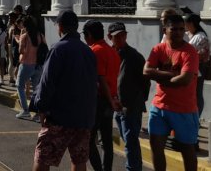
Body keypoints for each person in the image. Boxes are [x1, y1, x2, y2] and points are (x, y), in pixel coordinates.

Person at [32, 10, 97, 171]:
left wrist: (41, 107)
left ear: (60, 27)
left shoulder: (58, 49)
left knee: (43, 158)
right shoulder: (88, 51)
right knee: (79, 159)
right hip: (83, 118)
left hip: (60, 117)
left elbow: (46, 83)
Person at [144, 14, 199, 171]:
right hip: (159, 106)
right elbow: (146, 71)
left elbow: (184, 80)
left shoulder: (189, 52)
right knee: (155, 145)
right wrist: (172, 76)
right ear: (165, 30)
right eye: (173, 29)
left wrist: (159, 75)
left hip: (184, 110)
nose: (178, 32)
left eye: (182, 29)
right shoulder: (158, 49)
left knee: (187, 149)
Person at [107, 22, 149, 171]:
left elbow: (145, 81)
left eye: (122, 35)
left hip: (130, 106)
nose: (120, 38)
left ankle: (133, 168)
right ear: (109, 37)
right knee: (127, 139)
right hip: (115, 105)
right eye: (116, 36)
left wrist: (137, 101)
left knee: (130, 141)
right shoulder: (110, 54)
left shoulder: (134, 56)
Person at [82, 20, 121, 171]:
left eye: (85, 35)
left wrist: (110, 99)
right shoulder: (112, 51)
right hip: (109, 99)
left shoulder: (94, 51)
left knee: (89, 140)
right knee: (106, 139)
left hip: (99, 100)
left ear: (89, 35)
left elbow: (101, 79)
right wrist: (112, 99)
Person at [16, 16, 44, 119]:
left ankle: (25, 110)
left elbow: (21, 51)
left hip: (26, 64)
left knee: (19, 86)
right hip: (39, 65)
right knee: (36, 89)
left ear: (25, 25)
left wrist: (18, 40)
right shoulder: (40, 36)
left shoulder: (24, 36)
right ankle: (36, 113)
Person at [184, 13, 210, 118]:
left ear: (191, 24)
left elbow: (189, 51)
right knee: (193, 93)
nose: (185, 26)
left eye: (186, 24)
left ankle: (196, 117)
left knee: (197, 93)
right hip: (194, 67)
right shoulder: (193, 34)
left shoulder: (200, 37)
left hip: (198, 68)